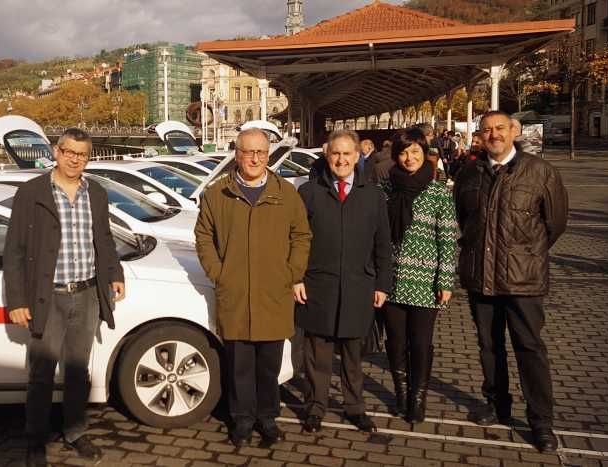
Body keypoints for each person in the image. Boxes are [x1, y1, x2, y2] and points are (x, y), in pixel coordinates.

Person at [3, 128, 126, 466]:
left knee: (77, 371)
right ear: (56, 152)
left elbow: (104, 239)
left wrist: (115, 273)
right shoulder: (32, 193)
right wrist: (16, 301)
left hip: (85, 295)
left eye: (82, 154)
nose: (75, 159)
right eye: (69, 152)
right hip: (48, 297)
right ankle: (35, 439)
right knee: (42, 373)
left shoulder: (95, 193)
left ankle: (75, 431)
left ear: (89, 157)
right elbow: (13, 251)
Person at [453, 110, 568, 453]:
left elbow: (556, 223)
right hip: (481, 277)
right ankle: (496, 404)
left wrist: (526, 255)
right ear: (480, 135)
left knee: (529, 348)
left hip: (523, 279)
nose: (494, 135)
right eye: (487, 130)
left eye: (500, 128)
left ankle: (541, 422)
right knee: (489, 346)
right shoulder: (470, 172)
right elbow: (464, 217)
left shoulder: (540, 171)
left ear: (513, 131)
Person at [194, 128, 311, 447]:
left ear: (268, 154)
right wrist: (219, 273)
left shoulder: (286, 193)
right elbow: (204, 237)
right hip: (235, 296)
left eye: (260, 152)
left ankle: (268, 418)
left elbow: (301, 236)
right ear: (237, 153)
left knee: (268, 367)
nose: (254, 158)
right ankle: (242, 420)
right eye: (248, 152)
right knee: (239, 367)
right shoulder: (217, 194)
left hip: (273, 294)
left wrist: (291, 272)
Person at [295, 129, 393, 434]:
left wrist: (382, 284)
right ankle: (315, 407)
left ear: (357, 157)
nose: (341, 159)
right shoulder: (309, 193)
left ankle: (355, 407)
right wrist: (296, 277)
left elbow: (383, 245)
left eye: (346, 154)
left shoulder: (374, 195)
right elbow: (296, 241)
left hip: (358, 287)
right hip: (318, 286)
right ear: (327, 156)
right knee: (317, 355)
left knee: (353, 356)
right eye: (335, 153)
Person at [379, 128, 458, 424]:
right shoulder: (386, 189)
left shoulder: (438, 191)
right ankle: (401, 393)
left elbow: (447, 239)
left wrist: (445, 281)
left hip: (425, 282)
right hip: (391, 280)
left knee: (420, 343)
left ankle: (418, 398)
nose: (409, 158)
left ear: (424, 153)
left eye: (414, 151)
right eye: (403, 152)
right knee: (396, 342)